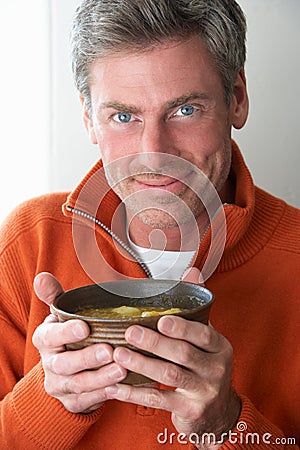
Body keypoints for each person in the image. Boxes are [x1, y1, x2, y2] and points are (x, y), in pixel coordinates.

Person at [0, 0, 299, 448]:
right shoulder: (28, 243)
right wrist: (51, 399)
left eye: (185, 110)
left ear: (235, 99)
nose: (153, 150)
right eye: (124, 116)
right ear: (88, 119)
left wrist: (229, 426)